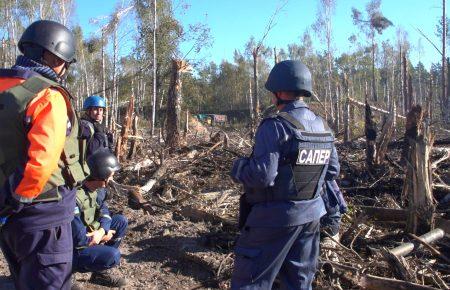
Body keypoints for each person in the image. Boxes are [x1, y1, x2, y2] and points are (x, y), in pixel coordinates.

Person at [230, 60, 340, 290]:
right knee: (299, 284)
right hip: (310, 218)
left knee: (250, 282)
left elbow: (262, 176)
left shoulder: (275, 126)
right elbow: (332, 171)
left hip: (273, 220)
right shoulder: (322, 127)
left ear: (279, 92)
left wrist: (239, 168)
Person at [0, 20, 86, 289]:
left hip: (9, 220)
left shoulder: (4, 86)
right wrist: (15, 200)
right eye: (64, 62)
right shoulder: (46, 96)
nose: (64, 69)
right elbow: (41, 163)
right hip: (42, 217)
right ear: (51, 55)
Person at [71, 149, 127, 288]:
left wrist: (102, 231)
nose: (112, 179)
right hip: (73, 245)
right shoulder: (74, 197)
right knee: (112, 255)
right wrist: (95, 238)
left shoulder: (99, 190)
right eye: (110, 175)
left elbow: (104, 211)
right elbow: (77, 238)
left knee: (120, 221)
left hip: (91, 232)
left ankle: (99, 273)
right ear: (101, 175)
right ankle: (66, 275)